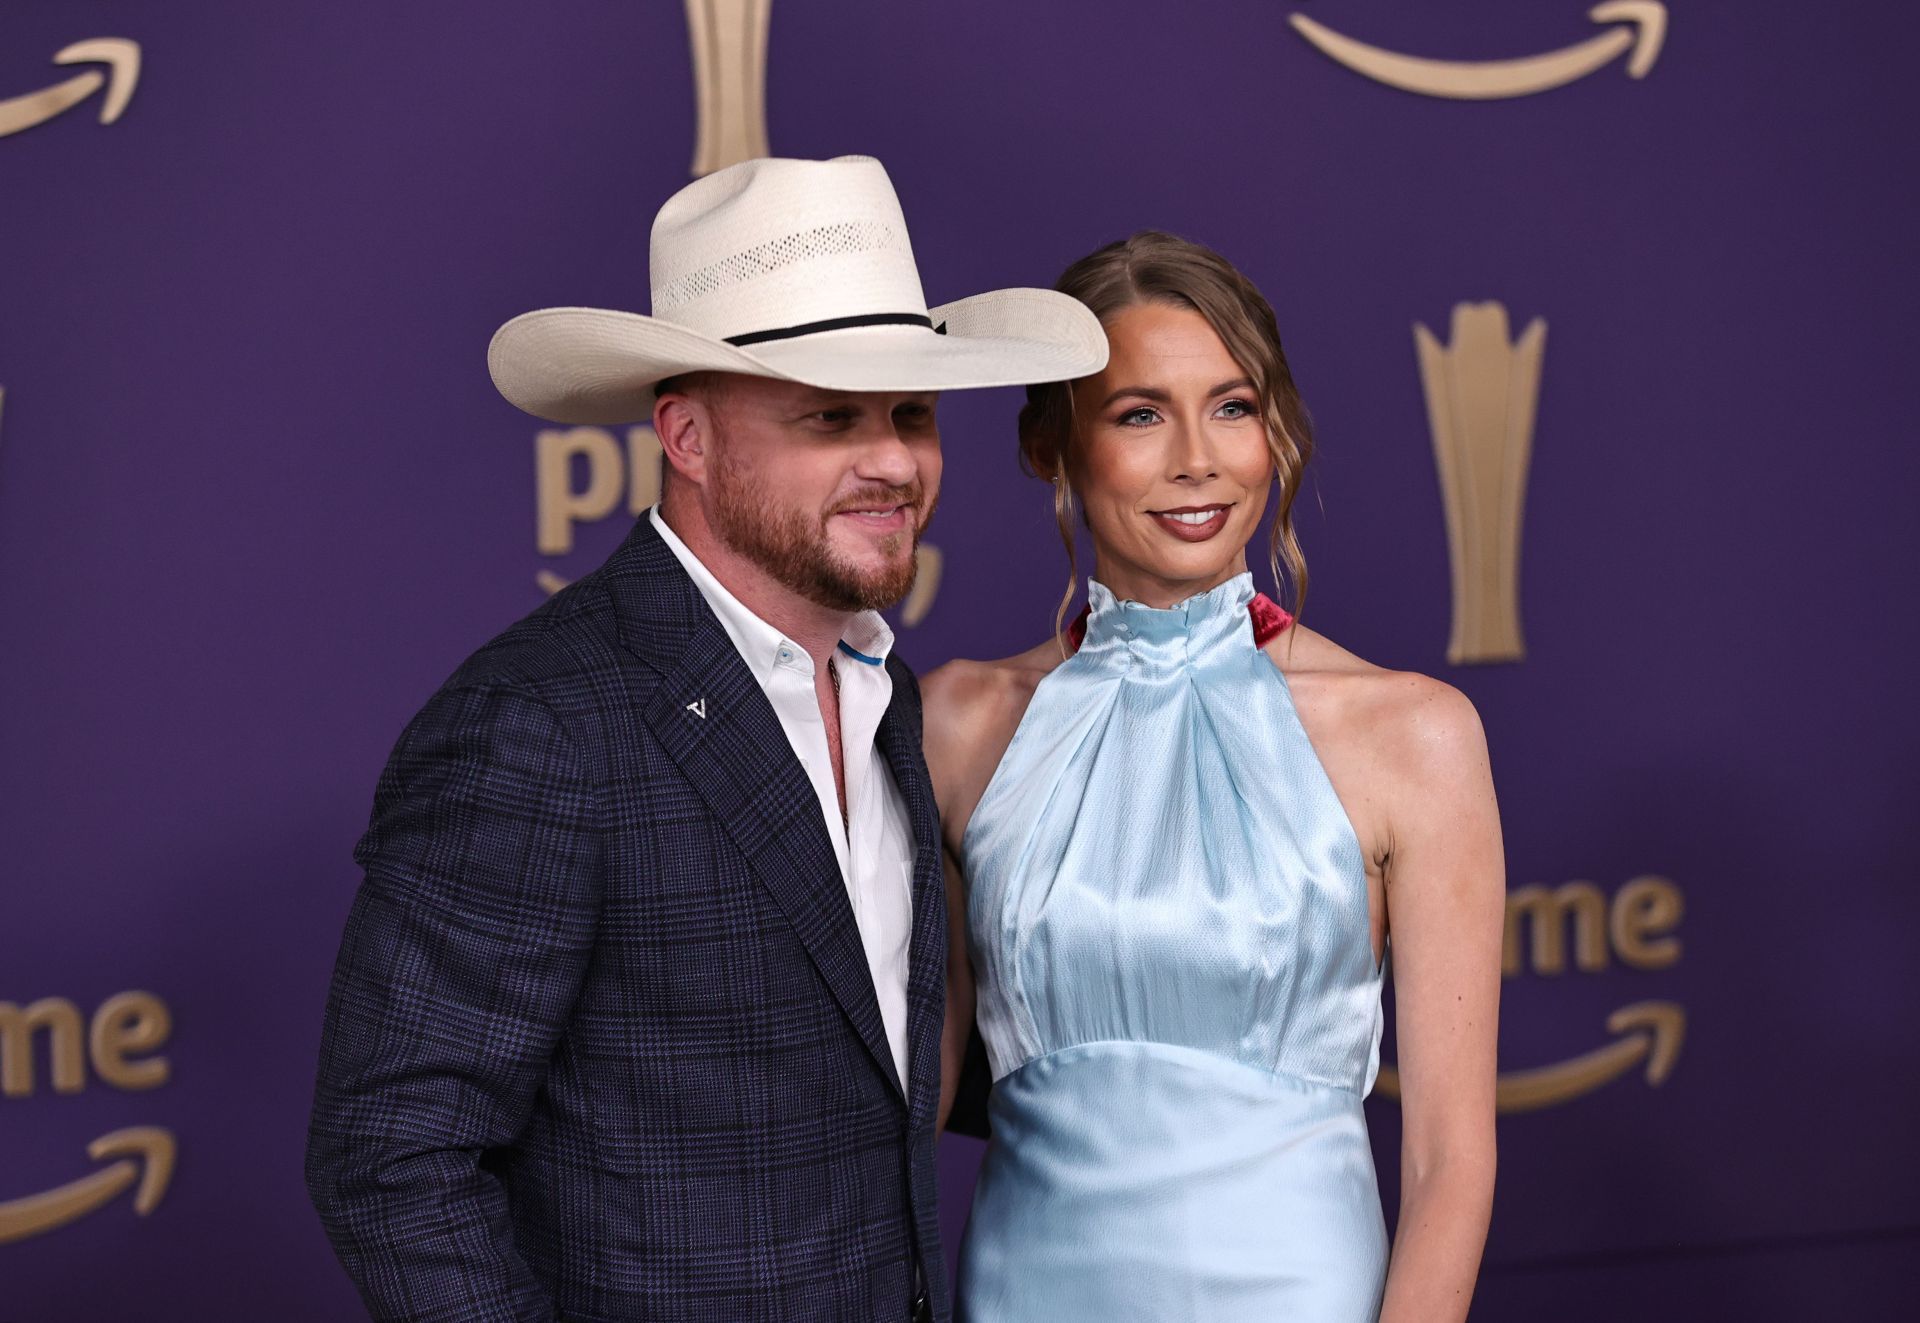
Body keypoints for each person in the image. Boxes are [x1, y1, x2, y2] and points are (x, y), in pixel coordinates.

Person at [303, 155, 1106, 1322]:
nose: (894, 462)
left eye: (914, 414)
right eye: (831, 415)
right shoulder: (539, 724)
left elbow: (873, 1081)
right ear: (685, 435)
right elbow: (390, 1157)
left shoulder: (891, 697)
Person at [925, 231, 1503, 1321]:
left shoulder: (1414, 736)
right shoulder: (957, 724)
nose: (1198, 457)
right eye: (1140, 414)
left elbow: (1446, 1165)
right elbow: (904, 1112)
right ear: (1052, 446)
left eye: (1234, 407)